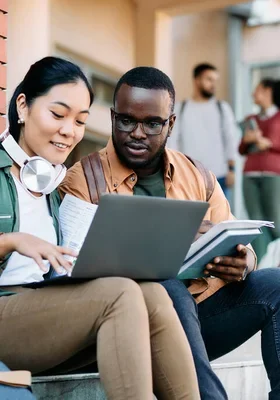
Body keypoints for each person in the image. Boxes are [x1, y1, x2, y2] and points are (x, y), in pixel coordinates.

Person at [60, 66, 280, 400]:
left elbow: (235, 236)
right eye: (126, 121)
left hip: (199, 317)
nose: (137, 133)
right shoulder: (83, 179)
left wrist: (244, 262)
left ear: (170, 124)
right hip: (126, 330)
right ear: (112, 117)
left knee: (275, 285)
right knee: (166, 286)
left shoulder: (197, 174)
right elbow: (70, 271)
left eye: (151, 123)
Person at [0, 57, 201, 400]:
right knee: (120, 295)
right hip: (7, 311)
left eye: (80, 121)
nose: (70, 131)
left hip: (42, 305)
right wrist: (11, 241)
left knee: (152, 293)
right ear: (23, 106)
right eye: (58, 114)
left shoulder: (48, 181)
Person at [168, 63, 237, 198]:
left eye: (215, 80)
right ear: (197, 80)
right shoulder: (181, 108)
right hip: (188, 176)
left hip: (219, 176)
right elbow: (172, 141)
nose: (213, 84)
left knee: (220, 218)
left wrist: (232, 170)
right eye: (209, 79)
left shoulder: (222, 108)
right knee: (190, 218)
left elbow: (231, 139)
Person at [239, 78, 280, 260]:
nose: (253, 94)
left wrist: (267, 143)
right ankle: (261, 264)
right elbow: (241, 149)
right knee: (256, 222)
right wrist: (248, 141)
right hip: (250, 174)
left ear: (268, 91)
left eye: (257, 90)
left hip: (273, 174)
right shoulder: (251, 119)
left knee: (275, 220)